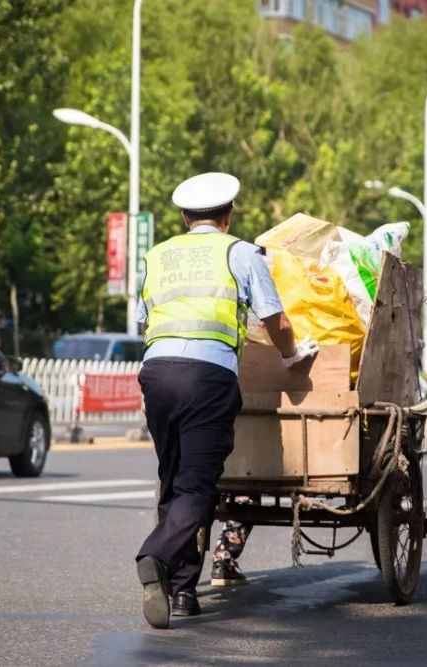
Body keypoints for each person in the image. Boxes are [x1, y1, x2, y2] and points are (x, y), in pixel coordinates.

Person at [134, 172, 318, 629]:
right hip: (208, 378)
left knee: (172, 478)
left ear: (184, 217)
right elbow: (275, 320)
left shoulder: (157, 255)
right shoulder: (241, 253)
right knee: (198, 486)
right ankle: (156, 556)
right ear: (229, 214)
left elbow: (143, 320)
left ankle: (182, 591)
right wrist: (292, 357)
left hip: (156, 373)